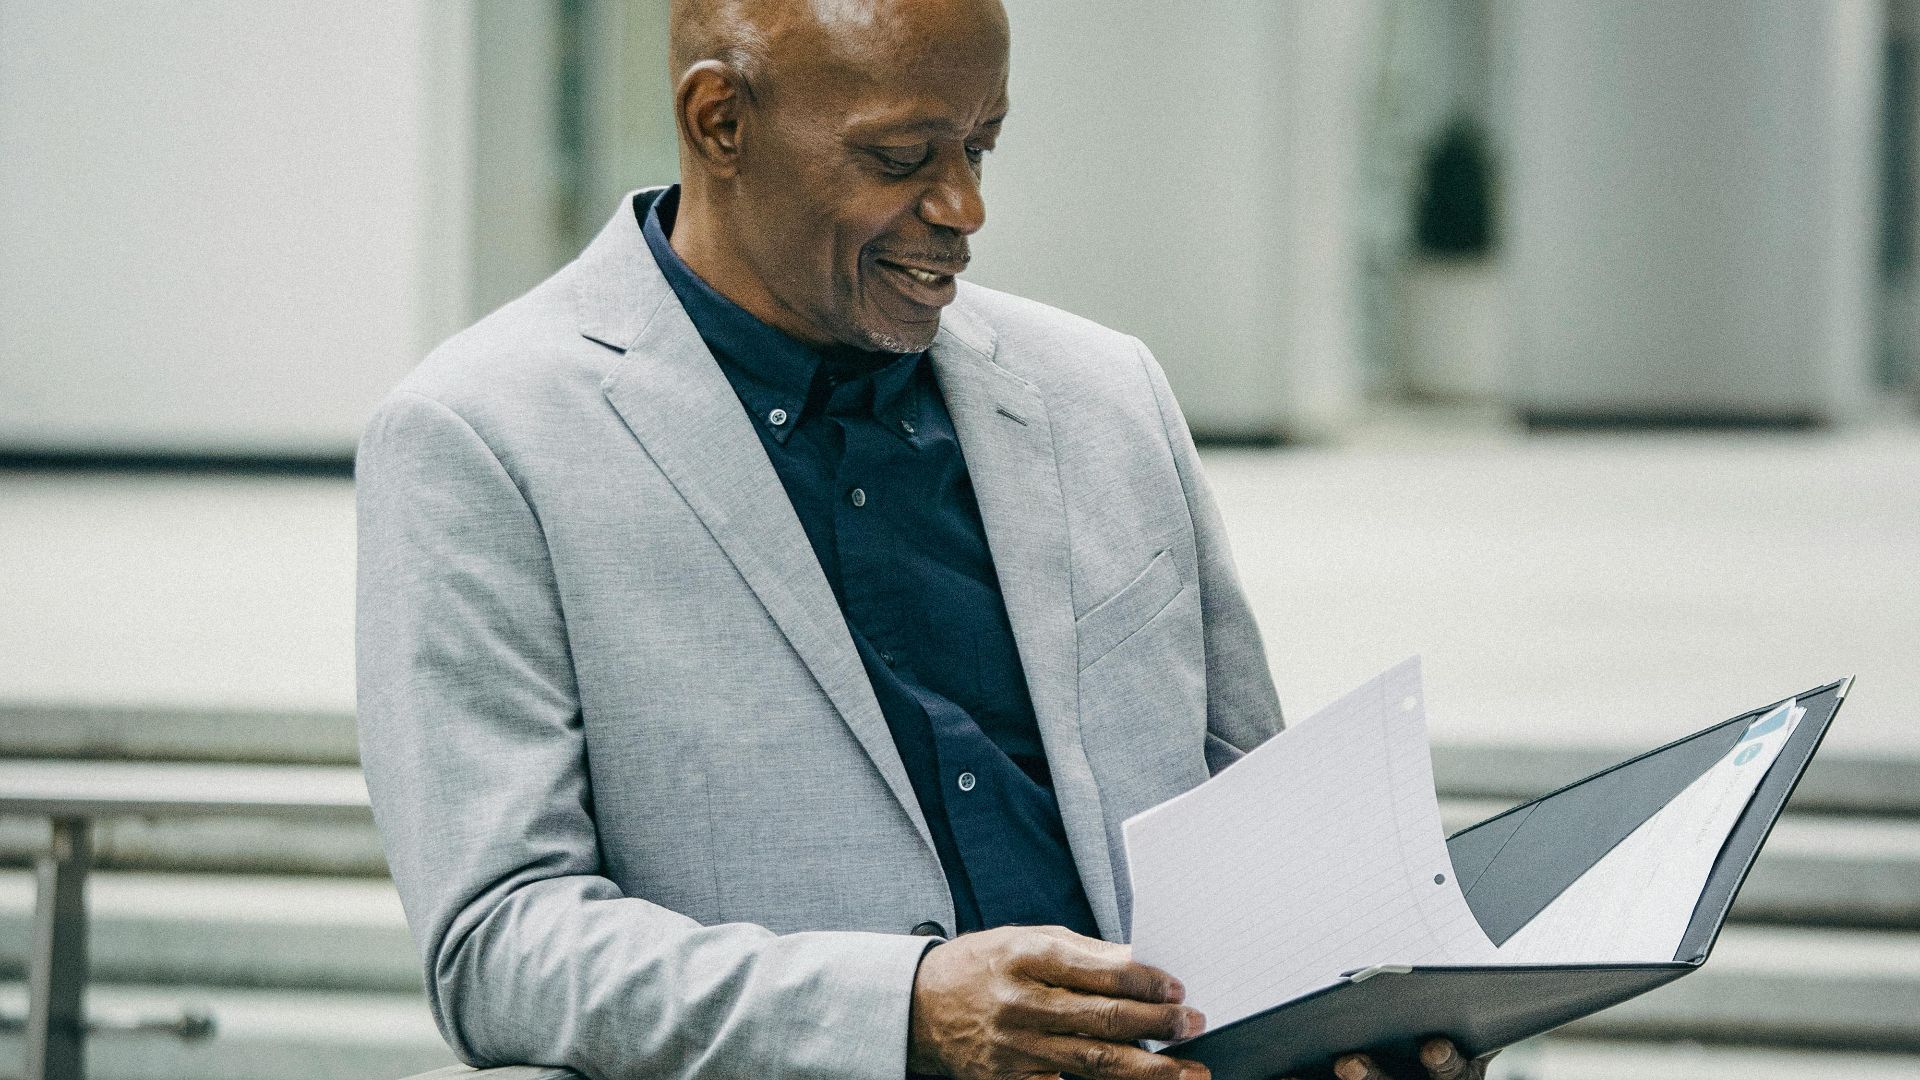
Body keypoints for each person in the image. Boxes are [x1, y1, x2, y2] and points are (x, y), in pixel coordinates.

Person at [355, 1, 1486, 1078]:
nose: (964, 210)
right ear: (721, 123)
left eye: (980, 149)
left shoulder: (1106, 393)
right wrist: (904, 1012)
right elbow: (498, 944)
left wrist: (1361, 1006)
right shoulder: (481, 439)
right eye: (902, 159)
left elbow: (1254, 808)